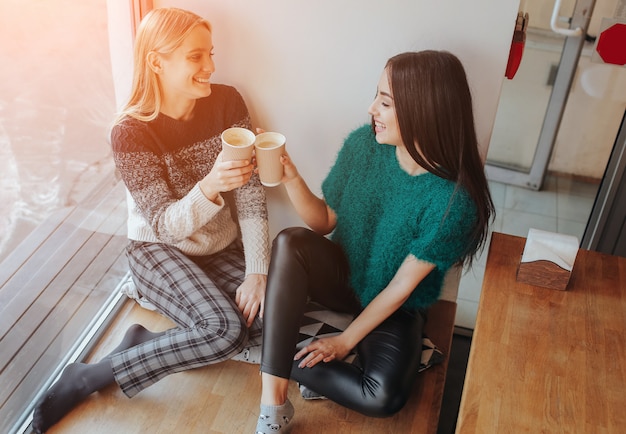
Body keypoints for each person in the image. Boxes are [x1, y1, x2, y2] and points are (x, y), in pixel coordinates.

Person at [32, 7, 270, 433]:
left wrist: (256, 272)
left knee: (274, 318)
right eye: (195, 57)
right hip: (156, 251)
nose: (210, 66)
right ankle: (88, 376)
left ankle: (146, 341)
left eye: (209, 54)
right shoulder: (130, 132)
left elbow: (251, 195)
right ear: (156, 61)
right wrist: (212, 184)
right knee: (225, 332)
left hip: (219, 247)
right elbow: (163, 226)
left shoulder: (228, 102)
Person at [254, 50, 495, 433]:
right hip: (341, 276)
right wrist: (291, 178)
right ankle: (274, 404)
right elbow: (324, 222)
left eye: (384, 102)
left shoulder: (452, 202)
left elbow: (401, 286)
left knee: (382, 398)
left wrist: (345, 342)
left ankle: (269, 349)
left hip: (396, 305)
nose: (371, 109)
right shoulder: (363, 146)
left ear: (423, 110)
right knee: (291, 241)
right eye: (376, 97)